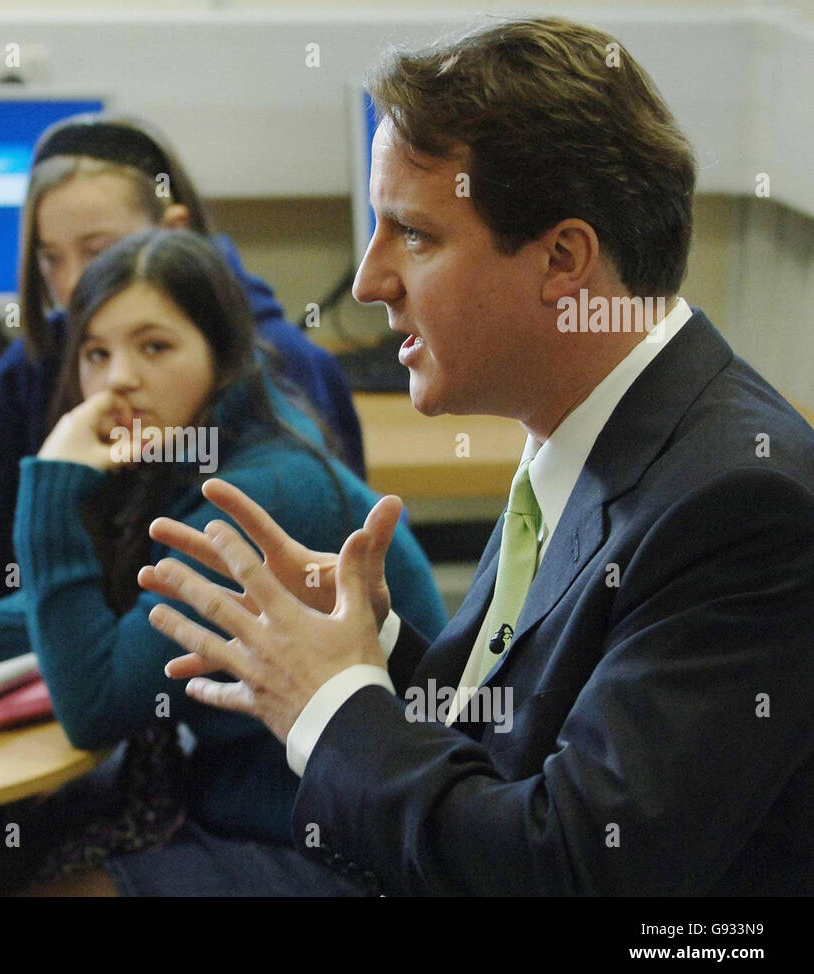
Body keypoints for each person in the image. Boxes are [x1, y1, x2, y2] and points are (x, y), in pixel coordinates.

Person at [141, 16, 814, 895]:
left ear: (564, 258)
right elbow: (515, 740)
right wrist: (367, 647)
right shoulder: (589, 425)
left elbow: (570, 864)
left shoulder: (741, 502)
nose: (368, 282)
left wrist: (331, 706)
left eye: (413, 235)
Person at [0, 229, 444, 895]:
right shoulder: (200, 445)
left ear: (222, 355)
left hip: (346, 853)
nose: (118, 379)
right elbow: (134, 609)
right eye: (95, 354)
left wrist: (52, 482)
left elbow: (94, 704)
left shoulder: (256, 491)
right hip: (234, 807)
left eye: (154, 346)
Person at [0, 114, 364, 634]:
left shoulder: (283, 369)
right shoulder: (44, 358)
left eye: (99, 251)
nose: (75, 285)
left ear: (174, 230)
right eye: (50, 259)